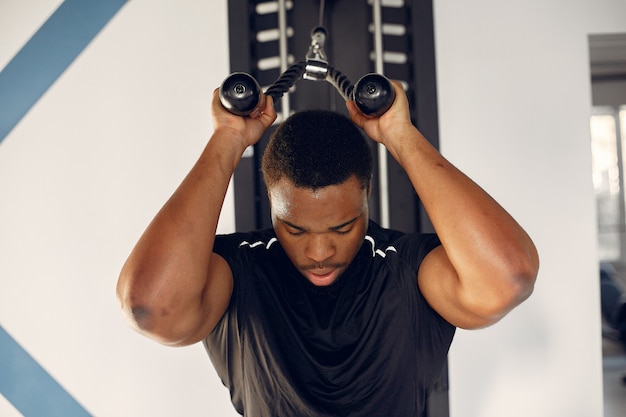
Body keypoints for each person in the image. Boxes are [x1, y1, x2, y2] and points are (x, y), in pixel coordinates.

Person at [116, 81, 540, 416]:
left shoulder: (407, 269)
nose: (319, 251)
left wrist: (399, 135)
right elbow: (150, 307)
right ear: (272, 205)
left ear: (367, 197)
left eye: (342, 226)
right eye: (295, 230)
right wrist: (228, 139)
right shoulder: (237, 269)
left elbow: (508, 277)